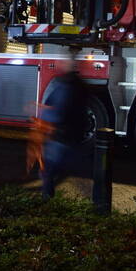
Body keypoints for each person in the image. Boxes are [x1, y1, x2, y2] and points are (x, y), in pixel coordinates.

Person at [36, 47, 90, 201]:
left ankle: (47, 205)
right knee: (80, 174)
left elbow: (56, 112)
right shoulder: (81, 84)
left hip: (60, 138)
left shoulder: (64, 85)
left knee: (47, 172)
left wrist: (42, 115)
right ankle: (98, 207)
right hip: (74, 137)